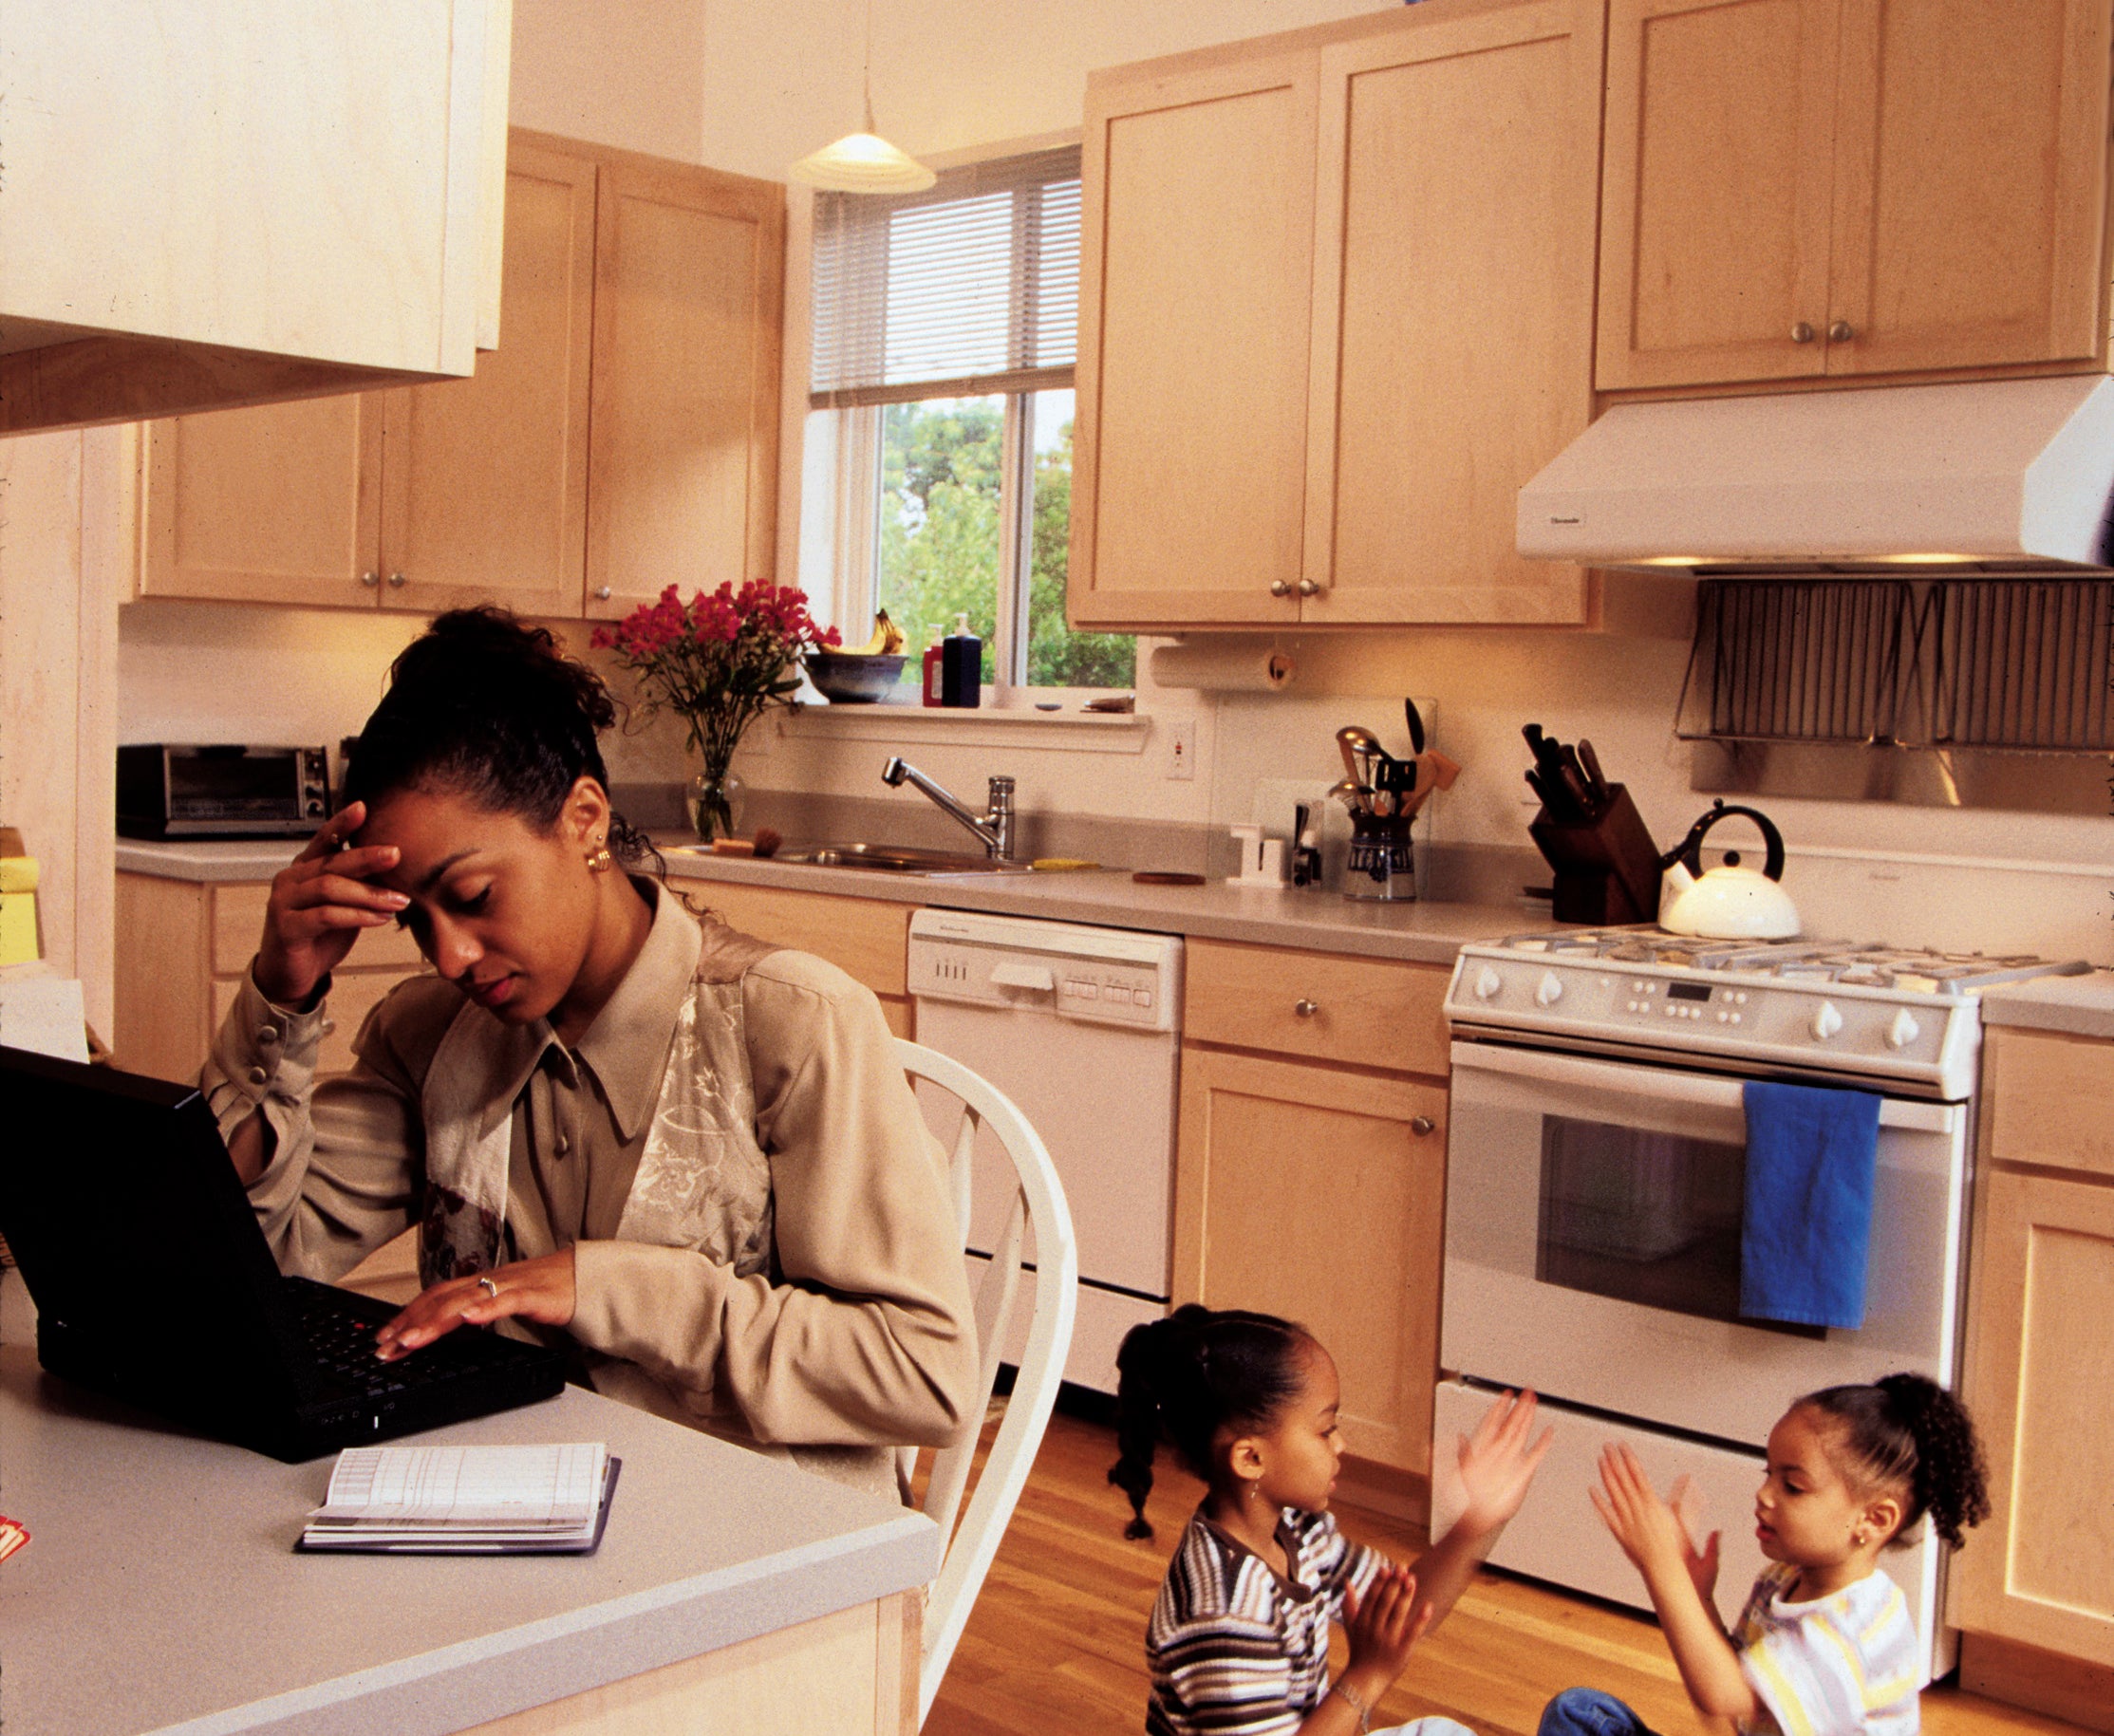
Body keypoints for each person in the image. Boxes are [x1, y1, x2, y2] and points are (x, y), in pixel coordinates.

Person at [202, 607, 979, 1497]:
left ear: (583, 818)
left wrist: (603, 1287)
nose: (449, 954)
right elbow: (247, 1265)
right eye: (414, 918)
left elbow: (924, 1372)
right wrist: (281, 992)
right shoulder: (427, 1037)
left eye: (473, 895)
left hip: (769, 1553)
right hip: (518, 1530)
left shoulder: (791, 1023)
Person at [1108, 1303, 1554, 1736]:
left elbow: (1401, 1612)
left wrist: (1474, 1526)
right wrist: (1368, 1675)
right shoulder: (1224, 1618)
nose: (1340, 1445)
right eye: (1325, 1430)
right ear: (1252, 1457)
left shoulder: (1298, 1529)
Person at [1542, 1372, 1992, 1736]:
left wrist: (1661, 1569)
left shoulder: (1850, 1638)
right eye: (1768, 1472)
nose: (1764, 1494)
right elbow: (1732, 1706)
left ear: (1873, 1520)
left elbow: (1719, 1695)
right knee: (1578, 1713)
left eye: (1792, 1486)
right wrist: (1698, 1598)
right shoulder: (1785, 1577)